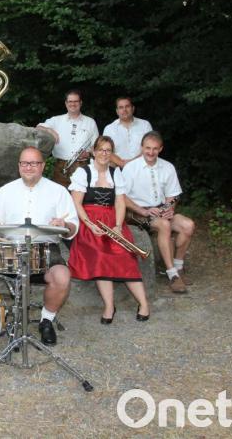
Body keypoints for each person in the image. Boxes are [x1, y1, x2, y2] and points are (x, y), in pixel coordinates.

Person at [0, 147, 79, 346]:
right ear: (19, 166)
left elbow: (73, 228)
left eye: (34, 163)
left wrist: (64, 224)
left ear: (42, 166)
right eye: (24, 163)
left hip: (46, 249)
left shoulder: (58, 191)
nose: (29, 167)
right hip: (10, 249)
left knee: (62, 276)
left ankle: (47, 320)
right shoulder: (6, 190)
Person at [67, 136, 150, 324]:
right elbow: (76, 203)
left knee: (126, 255)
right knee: (100, 255)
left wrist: (118, 226)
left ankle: (144, 304)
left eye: (108, 150)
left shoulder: (115, 173)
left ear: (112, 153)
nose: (104, 154)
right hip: (89, 222)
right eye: (101, 150)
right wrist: (90, 224)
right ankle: (109, 306)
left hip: (113, 221)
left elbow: (120, 202)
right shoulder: (83, 173)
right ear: (94, 152)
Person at [122, 131, 195, 293]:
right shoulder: (130, 168)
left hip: (160, 210)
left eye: (155, 148)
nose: (151, 152)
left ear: (160, 149)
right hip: (136, 212)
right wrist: (143, 211)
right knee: (164, 225)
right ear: (142, 148)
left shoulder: (168, 167)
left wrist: (169, 209)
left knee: (188, 225)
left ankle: (178, 267)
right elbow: (122, 197)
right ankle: (172, 275)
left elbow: (173, 196)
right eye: (147, 148)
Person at [36, 89, 99, 188]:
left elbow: (97, 147)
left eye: (76, 101)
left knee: (82, 195)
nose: (73, 104)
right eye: (70, 101)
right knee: (60, 195)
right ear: (66, 103)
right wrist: (50, 131)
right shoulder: (56, 120)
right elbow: (38, 128)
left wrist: (88, 153)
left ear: (81, 103)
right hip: (60, 167)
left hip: (82, 166)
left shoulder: (90, 122)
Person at [102, 97, 153, 168]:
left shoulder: (145, 125)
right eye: (121, 107)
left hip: (142, 167)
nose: (124, 110)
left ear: (133, 108)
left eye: (127, 106)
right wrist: (122, 164)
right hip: (117, 169)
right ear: (117, 111)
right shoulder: (109, 129)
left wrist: (131, 164)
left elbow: (151, 148)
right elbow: (106, 151)